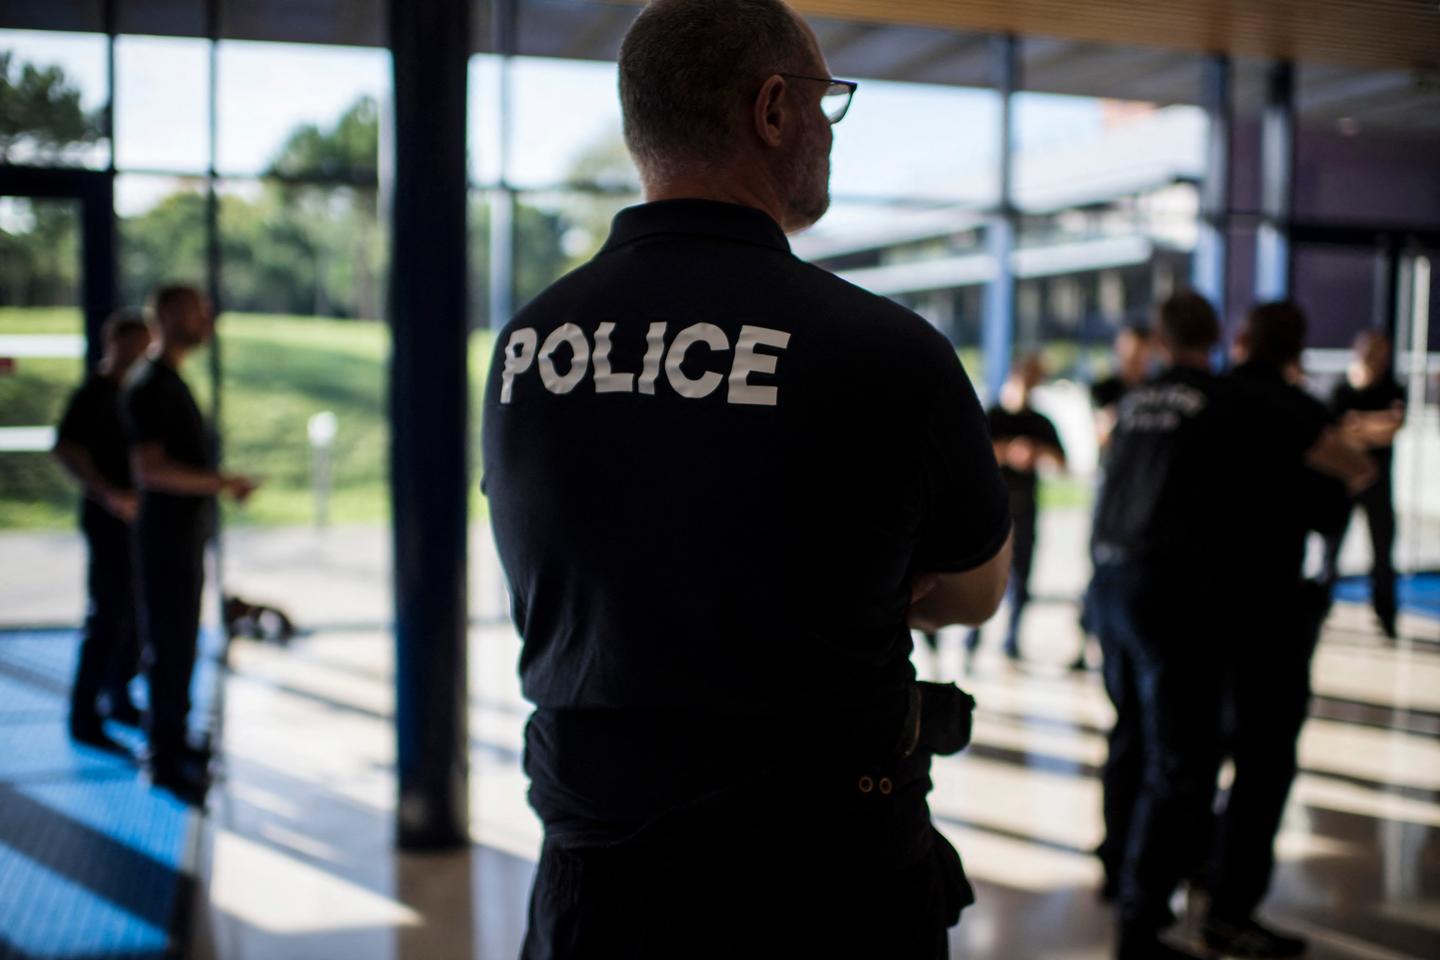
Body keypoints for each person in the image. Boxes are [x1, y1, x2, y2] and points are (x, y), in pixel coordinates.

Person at [481, 2, 1013, 956]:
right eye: (826, 102)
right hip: (824, 888)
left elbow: (569, 568)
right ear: (773, 110)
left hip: (596, 886)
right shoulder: (883, 350)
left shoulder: (527, 342)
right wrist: (862, 587)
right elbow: (974, 589)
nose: (828, 131)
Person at [1092, 294, 1372, 960]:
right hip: (1208, 602)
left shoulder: (1141, 401)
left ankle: (1130, 878)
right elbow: (1342, 478)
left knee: (1143, 740)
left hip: (1116, 586)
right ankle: (1157, 918)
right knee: (1205, 761)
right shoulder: (1242, 402)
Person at [1199, 303, 1375, 958]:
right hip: (1269, 609)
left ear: (1242, 339)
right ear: (1297, 349)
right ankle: (1229, 909)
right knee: (1262, 764)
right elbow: (1347, 485)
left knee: (1191, 754)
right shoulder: (1295, 409)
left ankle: (1186, 877)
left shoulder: (1209, 398)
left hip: (1197, 605)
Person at [122, 285, 257, 803]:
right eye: (199, 313)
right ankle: (163, 759)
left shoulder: (169, 381)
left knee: (180, 644)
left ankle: (175, 741)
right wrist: (219, 483)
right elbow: (150, 469)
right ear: (173, 317)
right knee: (168, 643)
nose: (207, 320)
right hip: (164, 539)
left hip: (183, 536)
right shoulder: (149, 385)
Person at [53, 309, 152, 752]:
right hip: (107, 518)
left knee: (132, 612)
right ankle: (84, 712)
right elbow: (65, 448)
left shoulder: (134, 394)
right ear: (114, 344)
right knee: (107, 614)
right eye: (132, 344)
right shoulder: (95, 394)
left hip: (135, 520)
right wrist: (108, 493)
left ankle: (119, 697)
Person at [964, 352, 1065, 664]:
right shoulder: (991, 416)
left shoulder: (1040, 422)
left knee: (1022, 574)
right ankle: (973, 637)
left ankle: (1011, 640)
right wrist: (1008, 452)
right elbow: (971, 457)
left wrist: (1037, 453)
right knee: (982, 572)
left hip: (1026, 506)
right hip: (992, 508)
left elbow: (1062, 463)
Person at [1074, 323, 1153, 672]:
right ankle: (1090, 638)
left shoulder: (1153, 389)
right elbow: (1101, 432)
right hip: (1111, 484)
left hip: (1142, 486)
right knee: (1100, 563)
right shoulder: (1107, 388)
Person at [1320, 329, 1406, 638]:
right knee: (1331, 553)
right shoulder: (1341, 389)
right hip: (1344, 484)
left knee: (1383, 554)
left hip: (1379, 485)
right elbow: (1339, 433)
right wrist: (1375, 424)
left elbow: (1393, 426)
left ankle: (1386, 617)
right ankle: (1319, 610)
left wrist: (1360, 424)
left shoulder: (1393, 386)